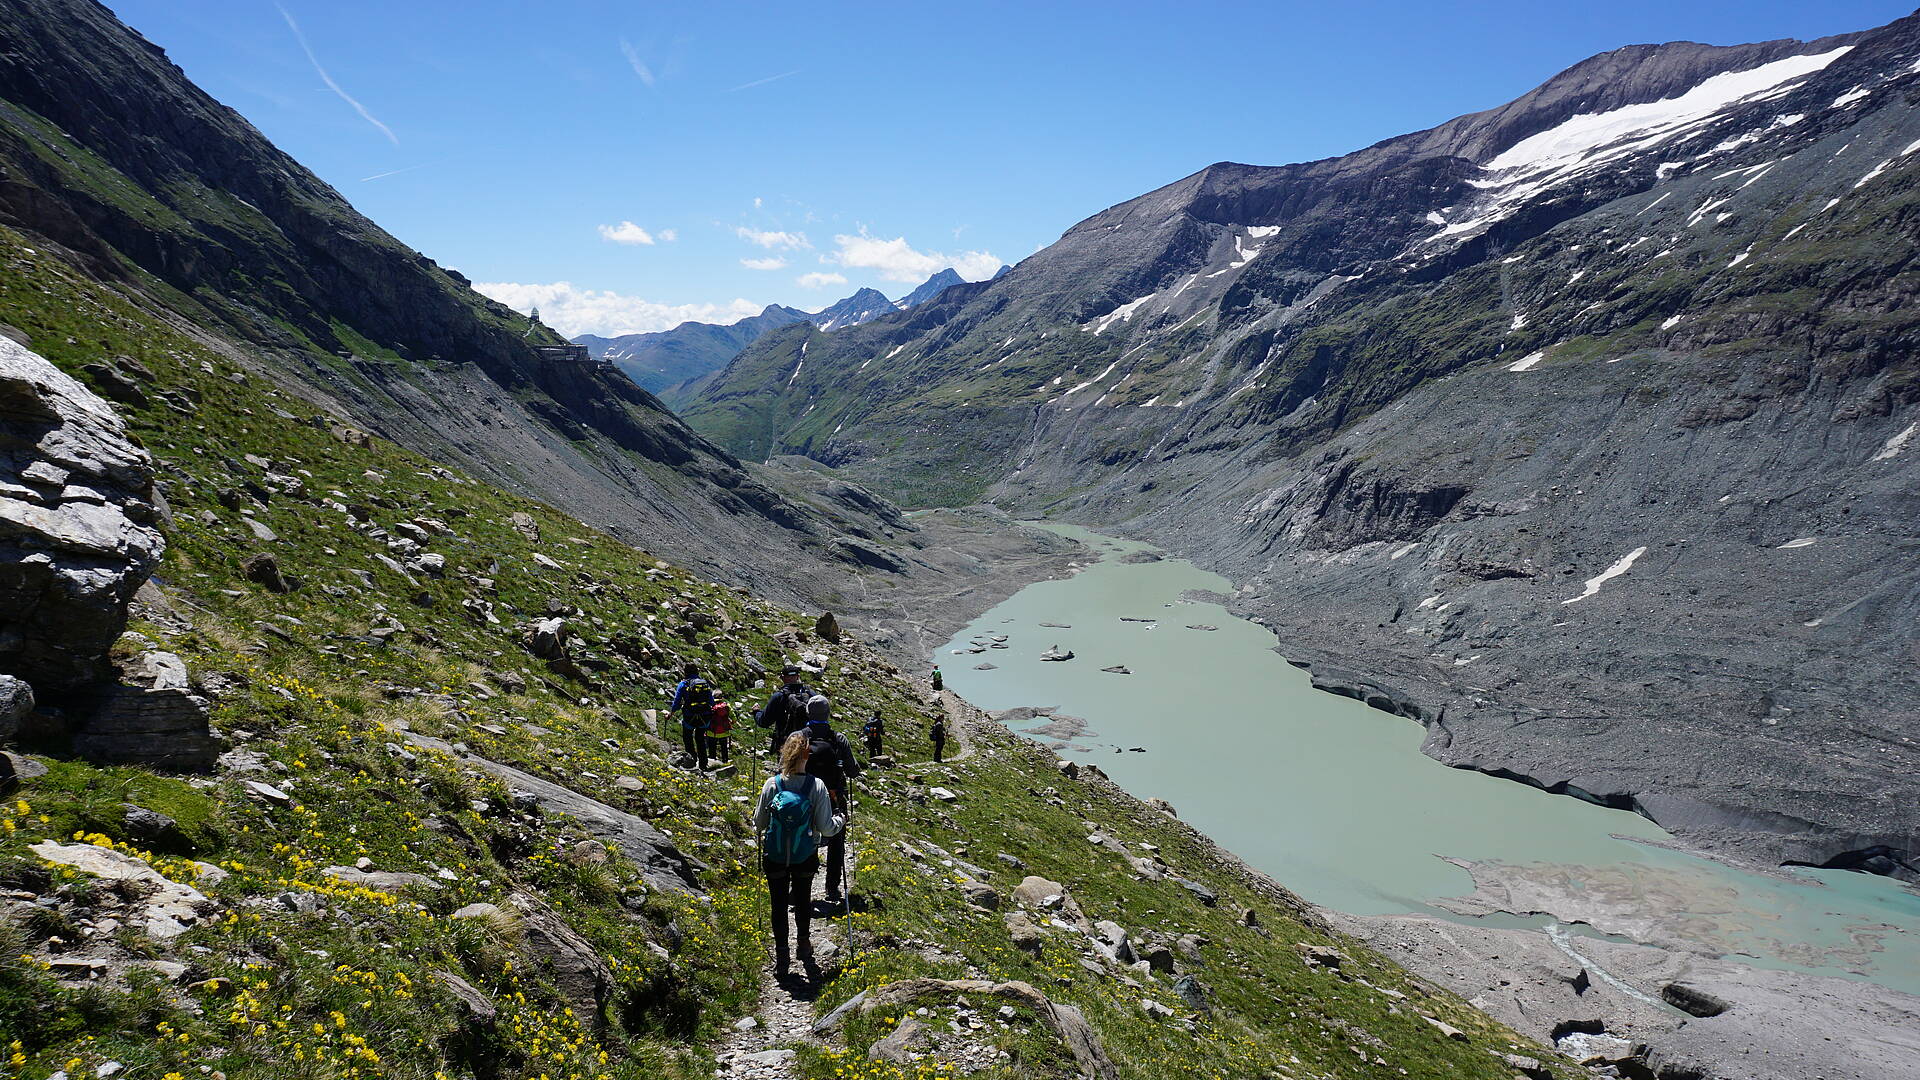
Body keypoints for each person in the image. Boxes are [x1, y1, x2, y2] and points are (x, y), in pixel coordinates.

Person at [754, 731, 842, 970]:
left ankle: (782, 954)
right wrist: (840, 820)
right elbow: (827, 829)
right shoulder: (817, 786)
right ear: (807, 754)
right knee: (802, 900)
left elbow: (759, 823)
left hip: (775, 854)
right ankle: (803, 944)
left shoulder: (772, 784)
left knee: (778, 903)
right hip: (805, 854)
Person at [802, 694, 862, 904]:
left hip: (804, 798)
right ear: (828, 714)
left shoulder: (799, 737)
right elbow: (852, 771)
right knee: (836, 841)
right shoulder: (839, 739)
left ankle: (801, 886)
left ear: (808, 713)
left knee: (804, 839)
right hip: (833, 797)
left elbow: (784, 768)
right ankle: (832, 888)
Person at [757, 665, 815, 758]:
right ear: (798, 676)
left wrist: (757, 713)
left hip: (786, 743)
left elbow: (764, 722)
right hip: (808, 743)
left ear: (782, 677)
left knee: (786, 770)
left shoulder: (779, 696)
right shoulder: (810, 694)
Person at [668, 662, 715, 770]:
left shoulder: (683, 684)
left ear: (685, 672)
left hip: (689, 717)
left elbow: (677, 701)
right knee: (700, 739)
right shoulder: (704, 684)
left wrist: (672, 712)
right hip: (704, 717)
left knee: (687, 737)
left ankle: (692, 760)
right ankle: (703, 764)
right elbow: (711, 702)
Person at [707, 697, 733, 763]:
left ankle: (712, 762)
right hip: (724, 732)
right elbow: (734, 718)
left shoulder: (710, 706)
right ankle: (725, 761)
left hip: (712, 732)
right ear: (721, 698)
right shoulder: (727, 706)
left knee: (712, 748)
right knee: (724, 748)